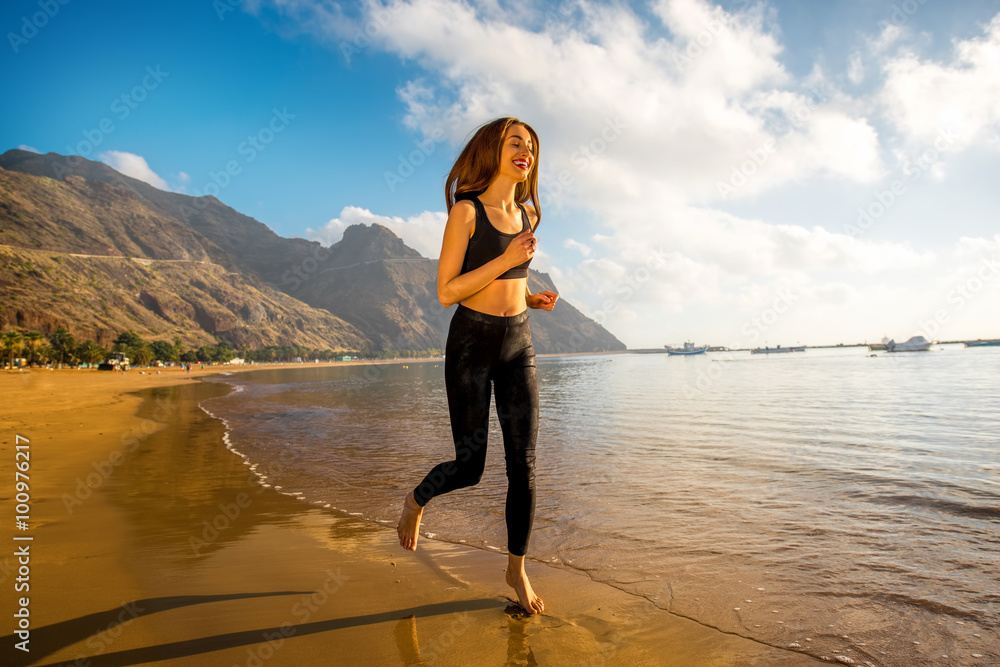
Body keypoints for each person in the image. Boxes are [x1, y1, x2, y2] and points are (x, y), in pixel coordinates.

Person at [396, 117, 558, 615]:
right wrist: (509, 257)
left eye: (530, 145)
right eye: (515, 142)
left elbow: (502, 279)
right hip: (470, 344)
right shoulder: (467, 212)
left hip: (518, 345)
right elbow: (449, 290)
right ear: (493, 149)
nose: (525, 151)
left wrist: (529, 295)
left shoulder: (527, 216)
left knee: (524, 467)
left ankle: (516, 568)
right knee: (470, 468)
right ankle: (416, 501)